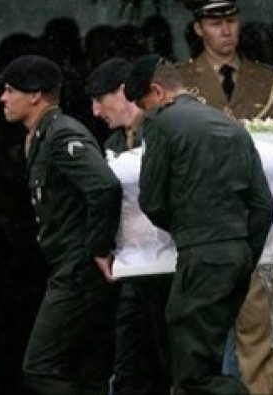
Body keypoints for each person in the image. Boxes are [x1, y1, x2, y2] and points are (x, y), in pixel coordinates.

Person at [124, 54, 273, 395]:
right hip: (237, 256)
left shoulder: (162, 124)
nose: (145, 112)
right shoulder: (231, 126)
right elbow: (264, 207)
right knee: (204, 365)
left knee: (193, 375)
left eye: (144, 104)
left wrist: (190, 236)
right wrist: (241, 253)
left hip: (201, 257)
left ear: (157, 92)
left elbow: (152, 200)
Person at [179, 0, 273, 393]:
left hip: (254, 226)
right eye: (214, 22)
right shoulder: (177, 81)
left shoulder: (269, 81)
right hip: (200, 227)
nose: (225, 30)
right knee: (198, 344)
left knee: (259, 340)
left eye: (231, 20)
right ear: (198, 29)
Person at [0, 54, 121, 394]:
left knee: (39, 367)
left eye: (10, 90)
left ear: (35, 94)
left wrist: (98, 246)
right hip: (67, 264)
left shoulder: (61, 133)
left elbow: (104, 186)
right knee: (86, 370)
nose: (3, 98)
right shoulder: (41, 135)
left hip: (78, 267)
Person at [84, 57, 175, 395]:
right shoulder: (112, 146)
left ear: (123, 92)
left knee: (178, 363)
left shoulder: (167, 129)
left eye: (99, 99)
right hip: (135, 271)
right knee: (131, 369)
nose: (95, 111)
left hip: (175, 266)